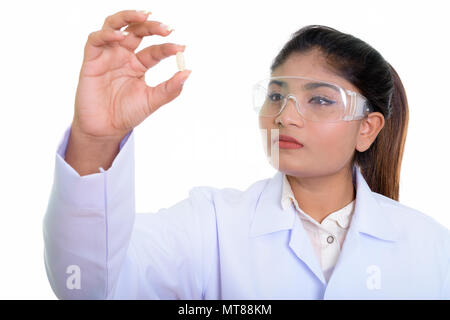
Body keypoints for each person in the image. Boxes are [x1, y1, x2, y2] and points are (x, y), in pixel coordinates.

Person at [43, 9, 449, 299]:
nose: (286, 116)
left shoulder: (430, 247)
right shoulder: (212, 225)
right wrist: (96, 138)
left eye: (321, 100)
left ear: (367, 128)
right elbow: (88, 288)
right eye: (276, 95)